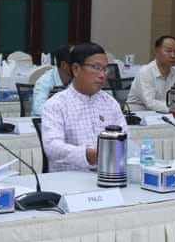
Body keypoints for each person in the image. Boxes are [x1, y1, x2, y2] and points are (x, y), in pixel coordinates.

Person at [39, 42, 127, 172]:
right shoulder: (56, 104)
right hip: (69, 180)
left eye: (105, 69)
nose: (102, 75)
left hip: (108, 176)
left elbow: (125, 139)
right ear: (76, 69)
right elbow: (53, 148)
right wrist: (89, 155)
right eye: (96, 67)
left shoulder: (110, 102)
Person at [126, 35, 175, 112]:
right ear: (157, 51)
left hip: (167, 113)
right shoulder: (145, 72)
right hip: (139, 114)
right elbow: (150, 103)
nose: (173, 55)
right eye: (168, 51)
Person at [31, 45, 72, 116]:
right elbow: (38, 109)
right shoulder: (45, 81)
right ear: (63, 65)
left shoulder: (77, 80)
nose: (80, 67)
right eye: (75, 63)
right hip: (44, 121)